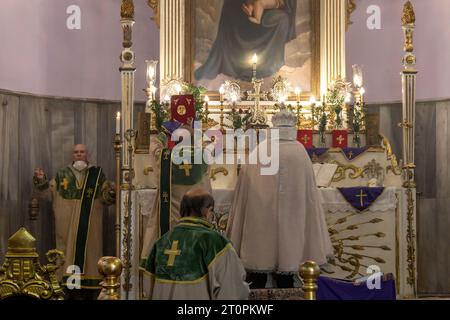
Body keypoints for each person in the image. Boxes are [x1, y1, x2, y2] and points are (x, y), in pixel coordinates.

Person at [226, 106, 333, 289]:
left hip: (260, 218)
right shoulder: (299, 152)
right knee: (287, 276)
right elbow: (310, 194)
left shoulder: (259, 150)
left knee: (256, 277)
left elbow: (244, 186)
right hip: (293, 217)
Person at [33, 144, 115, 297]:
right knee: (68, 255)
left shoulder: (97, 175)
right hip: (67, 226)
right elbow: (49, 193)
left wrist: (111, 191)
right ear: (72, 155)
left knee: (90, 254)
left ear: (87, 154)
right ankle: (71, 284)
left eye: (82, 152)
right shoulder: (62, 174)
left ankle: (89, 284)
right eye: (76, 152)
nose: (79, 154)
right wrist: (41, 180)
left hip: (91, 226)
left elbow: (106, 198)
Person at [141, 188, 250, 300]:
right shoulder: (216, 243)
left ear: (181, 210)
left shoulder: (160, 242)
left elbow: (148, 289)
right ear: (208, 211)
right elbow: (232, 291)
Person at [140, 123, 212, 264]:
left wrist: (163, 134)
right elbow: (209, 146)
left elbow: (154, 149)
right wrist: (198, 133)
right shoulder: (202, 155)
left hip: (172, 216)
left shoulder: (166, 156)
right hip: (195, 214)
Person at [195, 0, 297, 82]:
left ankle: (277, 63)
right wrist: (249, 5)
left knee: (283, 19)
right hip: (241, 10)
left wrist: (277, 3)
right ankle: (240, 64)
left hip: (266, 11)